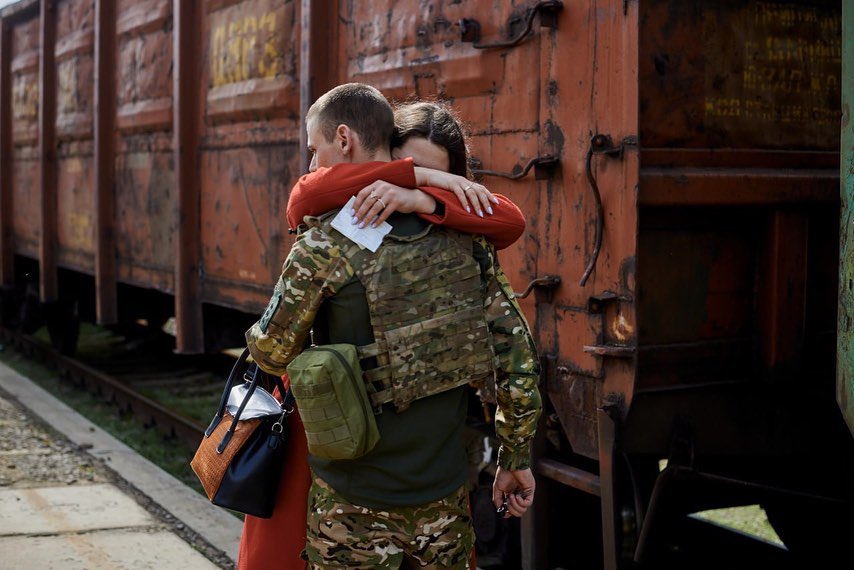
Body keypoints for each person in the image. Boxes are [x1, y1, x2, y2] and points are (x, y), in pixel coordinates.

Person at [244, 84, 541, 569]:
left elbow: (272, 352)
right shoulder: (467, 243)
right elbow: (518, 356)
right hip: (444, 497)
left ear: (345, 139)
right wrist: (515, 456)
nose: (313, 164)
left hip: (351, 505)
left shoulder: (327, 242)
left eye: (315, 151)